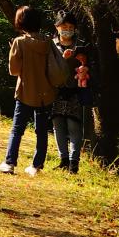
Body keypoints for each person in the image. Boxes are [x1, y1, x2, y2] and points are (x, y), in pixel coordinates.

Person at [0, 5, 60, 176]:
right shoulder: (47, 42)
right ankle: (36, 166)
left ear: (20, 22)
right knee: (41, 131)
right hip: (45, 93)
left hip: (25, 92)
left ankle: (9, 163)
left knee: (17, 129)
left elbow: (14, 70)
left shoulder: (19, 42)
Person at [50, 10, 92, 173]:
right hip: (56, 91)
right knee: (58, 126)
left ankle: (74, 163)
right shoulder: (51, 45)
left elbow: (91, 67)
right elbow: (48, 67)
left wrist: (85, 68)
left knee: (74, 127)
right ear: (57, 27)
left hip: (75, 91)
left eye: (70, 26)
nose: (67, 29)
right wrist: (63, 59)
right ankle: (63, 160)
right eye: (64, 26)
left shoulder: (81, 45)